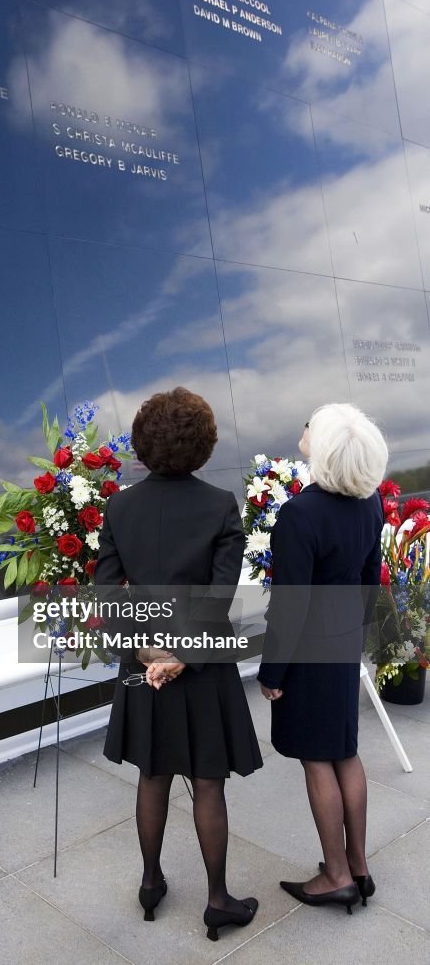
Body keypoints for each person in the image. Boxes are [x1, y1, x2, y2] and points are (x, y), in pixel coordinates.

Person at [95, 387, 263, 941]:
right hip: (203, 666)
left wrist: (146, 653)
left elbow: (106, 596)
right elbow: (217, 603)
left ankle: (150, 884)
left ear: (143, 444)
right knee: (207, 784)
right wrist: (181, 657)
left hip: (143, 666)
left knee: (152, 774)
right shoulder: (220, 506)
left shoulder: (119, 507)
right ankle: (217, 901)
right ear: (203, 444)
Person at [258, 403, 387, 915]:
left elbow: (290, 605)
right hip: (341, 641)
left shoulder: (300, 513)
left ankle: (334, 876)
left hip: (308, 651)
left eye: (310, 424)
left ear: (326, 445)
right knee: (345, 752)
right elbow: (369, 583)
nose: (304, 429)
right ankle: (358, 867)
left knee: (318, 758)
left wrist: (272, 673)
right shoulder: (370, 502)